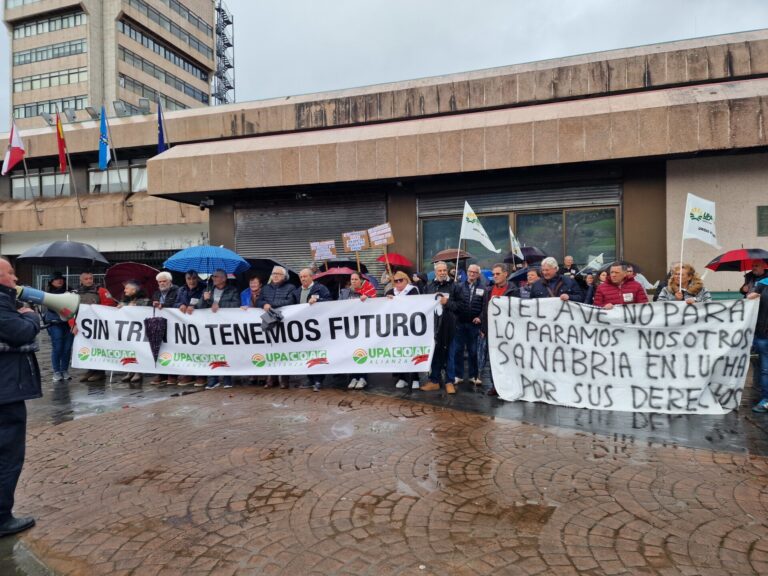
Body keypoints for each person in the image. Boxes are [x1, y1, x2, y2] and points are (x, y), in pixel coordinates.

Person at [0, 257, 41, 536]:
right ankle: (2, 518)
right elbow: (19, 332)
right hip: (6, 390)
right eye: (10, 273)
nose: (15, 279)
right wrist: (31, 317)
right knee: (8, 455)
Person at [479, 264, 520, 396]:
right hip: (491, 332)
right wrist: (483, 329)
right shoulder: (488, 290)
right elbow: (485, 311)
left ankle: (508, 385)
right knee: (493, 360)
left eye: (497, 274)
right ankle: (495, 385)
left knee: (507, 359)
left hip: (507, 332)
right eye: (494, 274)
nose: (495, 276)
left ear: (505, 274)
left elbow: (516, 311)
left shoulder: (513, 289)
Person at [257, 266, 298, 389]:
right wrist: (264, 304)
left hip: (284, 323)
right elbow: (259, 301)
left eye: (278, 274)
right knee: (270, 350)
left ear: (284, 276)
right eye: (273, 273)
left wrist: (271, 305)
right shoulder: (265, 288)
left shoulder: (291, 287)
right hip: (268, 322)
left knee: (284, 351)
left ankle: (284, 378)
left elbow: (290, 302)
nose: (275, 275)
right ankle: (272, 377)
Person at [199, 269, 240, 390]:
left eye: (216, 276)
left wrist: (219, 306)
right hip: (210, 326)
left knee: (226, 352)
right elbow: (199, 307)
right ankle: (213, 379)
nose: (213, 278)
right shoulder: (207, 290)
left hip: (225, 326)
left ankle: (227, 378)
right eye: (212, 276)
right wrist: (205, 299)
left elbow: (236, 305)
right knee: (212, 352)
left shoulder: (232, 290)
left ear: (224, 278)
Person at [74, 272, 117, 383]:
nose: (89, 280)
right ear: (81, 281)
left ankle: (100, 372)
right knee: (86, 347)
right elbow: (72, 310)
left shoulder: (102, 291)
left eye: (91, 278)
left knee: (99, 348)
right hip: (83, 326)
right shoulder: (76, 293)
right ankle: (91, 369)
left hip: (98, 325)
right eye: (86, 279)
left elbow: (110, 306)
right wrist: (73, 325)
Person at [425, 261, 459, 393]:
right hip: (434, 328)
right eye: (440, 271)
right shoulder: (429, 286)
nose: (443, 273)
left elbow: (460, 306)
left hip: (450, 326)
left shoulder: (455, 286)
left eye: (445, 270)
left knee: (450, 355)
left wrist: (448, 303)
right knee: (435, 355)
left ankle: (449, 382)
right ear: (435, 272)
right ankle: (434, 381)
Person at [296, 268, 332, 391]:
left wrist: (318, 300)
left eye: (305, 276)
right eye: (301, 277)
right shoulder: (297, 292)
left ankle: (318, 380)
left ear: (312, 277)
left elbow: (330, 301)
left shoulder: (320, 289)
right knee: (306, 353)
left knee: (318, 353)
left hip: (318, 327)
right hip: (302, 328)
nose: (303, 279)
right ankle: (310, 379)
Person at [385, 271, 421, 390]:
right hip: (396, 327)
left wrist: (397, 300)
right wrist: (388, 300)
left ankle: (415, 378)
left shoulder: (413, 290)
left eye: (401, 280)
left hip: (411, 326)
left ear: (406, 280)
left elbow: (416, 304)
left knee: (412, 351)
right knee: (399, 351)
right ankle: (402, 378)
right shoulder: (390, 292)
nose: (398, 283)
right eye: (396, 281)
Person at [340, 272, 375, 390]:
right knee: (351, 352)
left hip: (363, 327)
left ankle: (362, 378)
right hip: (349, 327)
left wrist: (368, 299)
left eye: (356, 279)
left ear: (361, 280)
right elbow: (336, 306)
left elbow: (377, 304)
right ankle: (353, 377)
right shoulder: (345, 292)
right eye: (352, 279)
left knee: (361, 352)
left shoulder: (368, 291)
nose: (353, 281)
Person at [452, 264, 485, 388]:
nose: (472, 274)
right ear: (467, 272)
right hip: (460, 323)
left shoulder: (483, 288)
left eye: (474, 272)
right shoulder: (458, 286)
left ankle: (473, 376)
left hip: (474, 324)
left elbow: (484, 307)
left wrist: (480, 318)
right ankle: (458, 375)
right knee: (458, 350)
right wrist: (455, 316)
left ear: (478, 274)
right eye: (470, 272)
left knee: (473, 351)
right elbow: (453, 303)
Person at [174, 270, 206, 387]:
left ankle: (201, 375)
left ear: (197, 279)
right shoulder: (181, 290)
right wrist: (180, 305)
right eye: (189, 278)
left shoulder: (205, 288)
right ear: (185, 279)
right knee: (187, 348)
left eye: (193, 278)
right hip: (186, 325)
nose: (191, 281)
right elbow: (175, 303)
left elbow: (206, 303)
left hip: (201, 324)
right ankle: (189, 374)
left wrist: (195, 306)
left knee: (201, 349)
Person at [149, 271, 180, 386]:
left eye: (164, 281)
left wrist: (164, 305)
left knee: (173, 348)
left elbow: (177, 303)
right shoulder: (156, 293)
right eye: (159, 282)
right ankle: (162, 373)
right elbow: (151, 304)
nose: (162, 283)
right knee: (160, 347)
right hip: (159, 324)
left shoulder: (177, 290)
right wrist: (152, 303)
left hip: (174, 324)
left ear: (170, 281)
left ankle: (172, 374)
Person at [117, 280, 150, 384]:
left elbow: (146, 308)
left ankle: (138, 372)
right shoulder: (125, 300)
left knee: (138, 349)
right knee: (128, 349)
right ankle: (130, 371)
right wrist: (121, 306)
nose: (124, 290)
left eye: (127, 288)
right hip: (128, 329)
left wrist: (134, 306)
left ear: (134, 290)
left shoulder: (144, 300)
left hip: (139, 330)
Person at [44, 272, 74, 383]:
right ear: (51, 281)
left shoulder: (70, 291)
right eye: (56, 279)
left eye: (61, 279)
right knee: (58, 347)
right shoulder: (48, 293)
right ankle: (57, 371)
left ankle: (64, 370)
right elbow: (52, 308)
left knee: (67, 348)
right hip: (55, 323)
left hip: (69, 323)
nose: (60, 281)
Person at [241, 275, 264, 385]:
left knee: (264, 348)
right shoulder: (244, 293)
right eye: (251, 283)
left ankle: (265, 374)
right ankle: (253, 373)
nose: (253, 285)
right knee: (251, 348)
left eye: (255, 283)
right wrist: (242, 308)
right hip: (250, 325)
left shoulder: (265, 292)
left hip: (263, 324)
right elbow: (240, 306)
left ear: (260, 284)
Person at [747, 285, 768, 412]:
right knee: (765, 369)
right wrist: (752, 296)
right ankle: (766, 399)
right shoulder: (763, 284)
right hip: (763, 334)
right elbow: (749, 298)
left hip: (763, 334)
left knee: (765, 369)